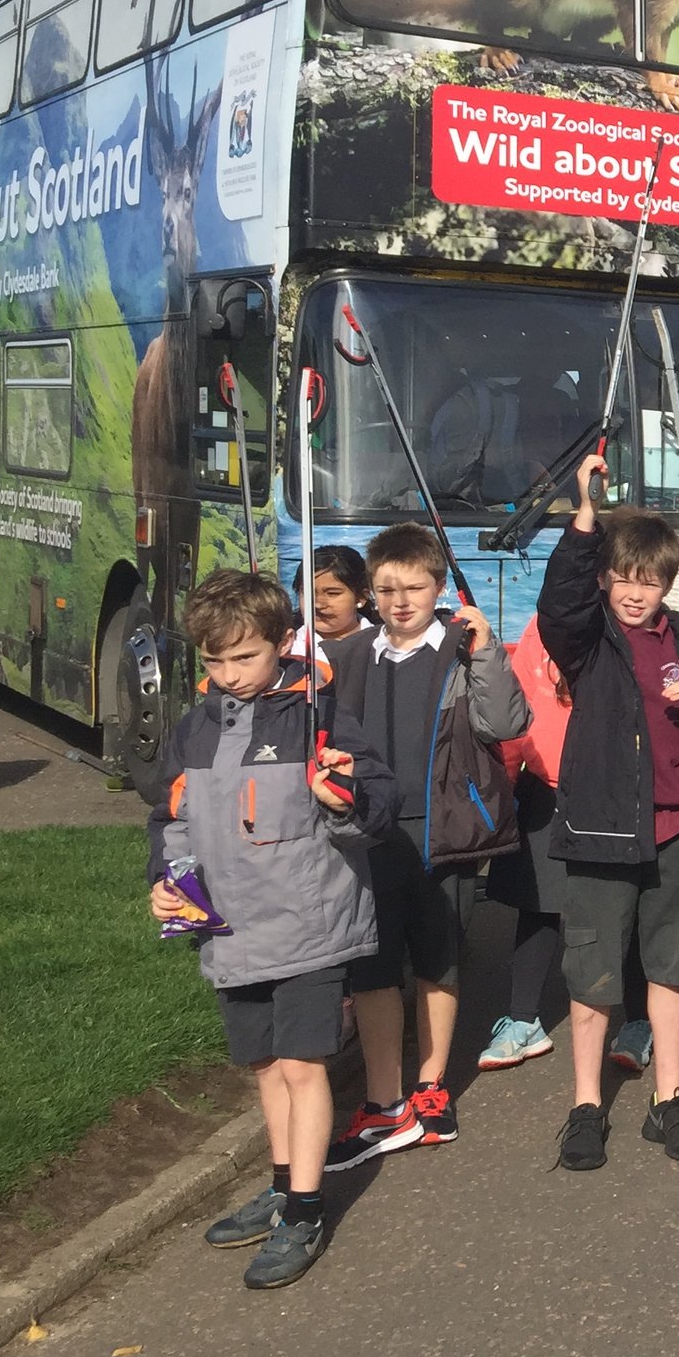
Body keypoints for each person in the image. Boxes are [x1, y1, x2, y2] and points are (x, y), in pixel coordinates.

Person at [149, 570, 398, 1289]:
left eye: (244, 658)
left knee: (301, 1065)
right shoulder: (196, 726)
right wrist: (166, 885)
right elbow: (170, 819)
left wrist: (342, 794)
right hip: (230, 927)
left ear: (284, 643)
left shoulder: (318, 713)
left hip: (309, 921)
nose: (229, 675)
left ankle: (306, 1207)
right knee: (264, 1066)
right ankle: (283, 1179)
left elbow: (379, 800)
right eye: (215, 661)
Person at [537, 455, 679, 1171]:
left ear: (667, 580)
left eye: (650, 579)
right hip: (600, 827)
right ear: (606, 577)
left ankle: (668, 1099)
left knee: (672, 968)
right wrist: (586, 515)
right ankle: (586, 1105)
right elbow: (559, 605)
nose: (635, 592)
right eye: (624, 577)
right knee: (591, 973)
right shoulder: (590, 640)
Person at [322, 525, 527, 1169]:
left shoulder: (461, 650)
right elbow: (329, 735)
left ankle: (431, 1086)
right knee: (376, 967)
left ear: (438, 586)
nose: (400, 601)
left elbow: (507, 723)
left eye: (414, 587)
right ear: (368, 593)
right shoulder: (351, 656)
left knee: (438, 960)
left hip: (446, 831)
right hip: (370, 832)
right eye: (385, 589)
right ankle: (383, 1100)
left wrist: (488, 652)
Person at [287, 545, 372, 657]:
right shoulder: (286, 648)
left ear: (361, 597)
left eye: (332, 593)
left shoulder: (384, 645)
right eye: (308, 593)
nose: (318, 604)